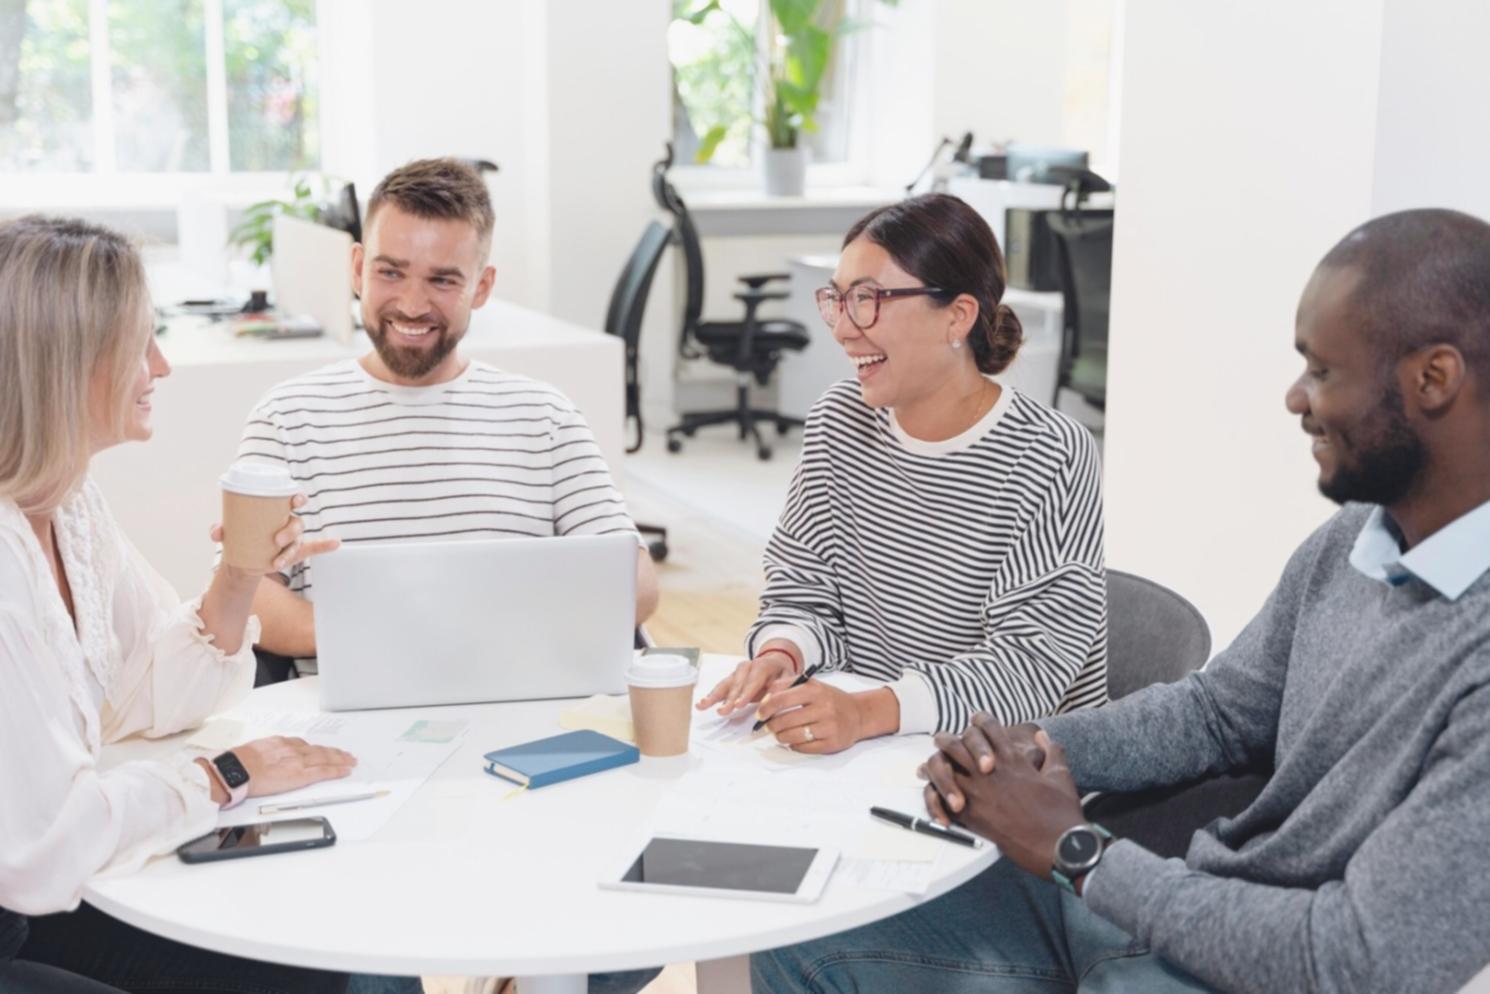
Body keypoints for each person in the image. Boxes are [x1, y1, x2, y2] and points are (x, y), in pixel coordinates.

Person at [752, 208, 1490, 993]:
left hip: (1244, 957)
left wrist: (1079, 852)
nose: (1294, 399)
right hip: (1163, 901)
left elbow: (1351, 961)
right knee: (797, 938)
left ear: (1434, 379)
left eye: (1323, 372)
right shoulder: (1347, 546)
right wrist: (1025, 752)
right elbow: (1214, 713)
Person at [0, 215, 356, 993]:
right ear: (67, 366)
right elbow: (43, 851)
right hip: (24, 910)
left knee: (312, 962)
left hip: (46, 893)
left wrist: (240, 572)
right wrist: (227, 774)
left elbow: (152, 699)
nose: (160, 366)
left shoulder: (67, 505)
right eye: (140, 344)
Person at [698, 193, 1107, 753]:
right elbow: (802, 588)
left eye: (867, 299)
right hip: (871, 753)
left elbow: (1029, 670)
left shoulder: (1050, 453)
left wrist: (867, 712)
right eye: (837, 300)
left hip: (1011, 770)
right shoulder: (839, 421)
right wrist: (781, 653)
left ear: (957, 317)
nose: (843, 328)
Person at [236, 158, 657, 671]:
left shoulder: (545, 418)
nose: (412, 305)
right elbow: (246, 592)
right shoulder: (286, 419)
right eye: (390, 272)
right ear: (356, 268)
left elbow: (634, 584)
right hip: (339, 727)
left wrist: (478, 635)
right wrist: (399, 636)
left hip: (520, 708)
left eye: (443, 280)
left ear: (481, 287)